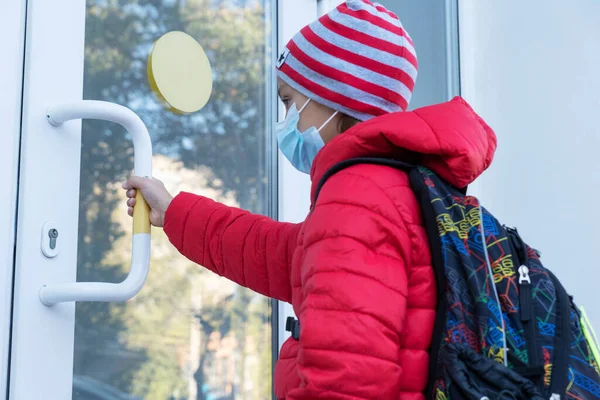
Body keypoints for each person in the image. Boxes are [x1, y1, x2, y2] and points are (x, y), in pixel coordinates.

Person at [123, 1, 496, 398]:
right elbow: (282, 255)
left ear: (337, 101)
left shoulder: (359, 197)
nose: (285, 120)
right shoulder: (392, 189)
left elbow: (346, 377)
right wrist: (177, 211)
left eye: (289, 102)